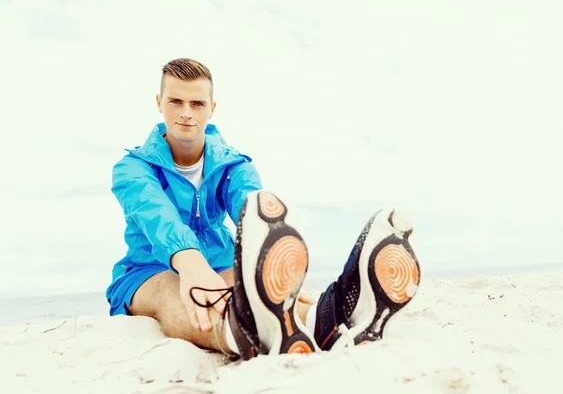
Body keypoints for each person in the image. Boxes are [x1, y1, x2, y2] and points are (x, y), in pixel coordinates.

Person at [106, 57, 421, 360]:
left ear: (211, 109)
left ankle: (326, 320)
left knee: (256, 292)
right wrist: (190, 264)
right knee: (174, 289)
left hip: (218, 262)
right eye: (176, 101)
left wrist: (270, 266)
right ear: (159, 102)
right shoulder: (132, 168)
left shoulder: (233, 164)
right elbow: (156, 215)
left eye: (197, 103)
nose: (186, 112)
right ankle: (242, 334)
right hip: (146, 271)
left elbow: (252, 210)